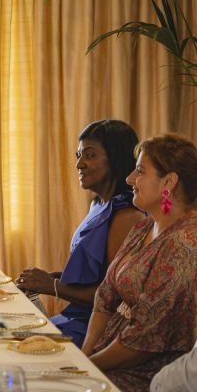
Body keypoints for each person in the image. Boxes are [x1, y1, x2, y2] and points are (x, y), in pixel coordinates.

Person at [81, 134, 197, 391]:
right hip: (106, 356)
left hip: (145, 374)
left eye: (140, 171)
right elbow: (105, 294)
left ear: (169, 181)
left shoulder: (186, 243)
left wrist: (88, 365)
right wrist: (84, 355)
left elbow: (145, 337)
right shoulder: (144, 226)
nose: (129, 179)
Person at [17, 120, 142, 348]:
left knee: (16, 345)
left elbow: (112, 296)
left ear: (115, 159)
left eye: (90, 155)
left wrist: (51, 286)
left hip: (96, 328)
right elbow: (91, 274)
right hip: (76, 316)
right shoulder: (99, 205)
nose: (79, 164)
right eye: (79, 155)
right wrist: (46, 278)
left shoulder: (127, 216)